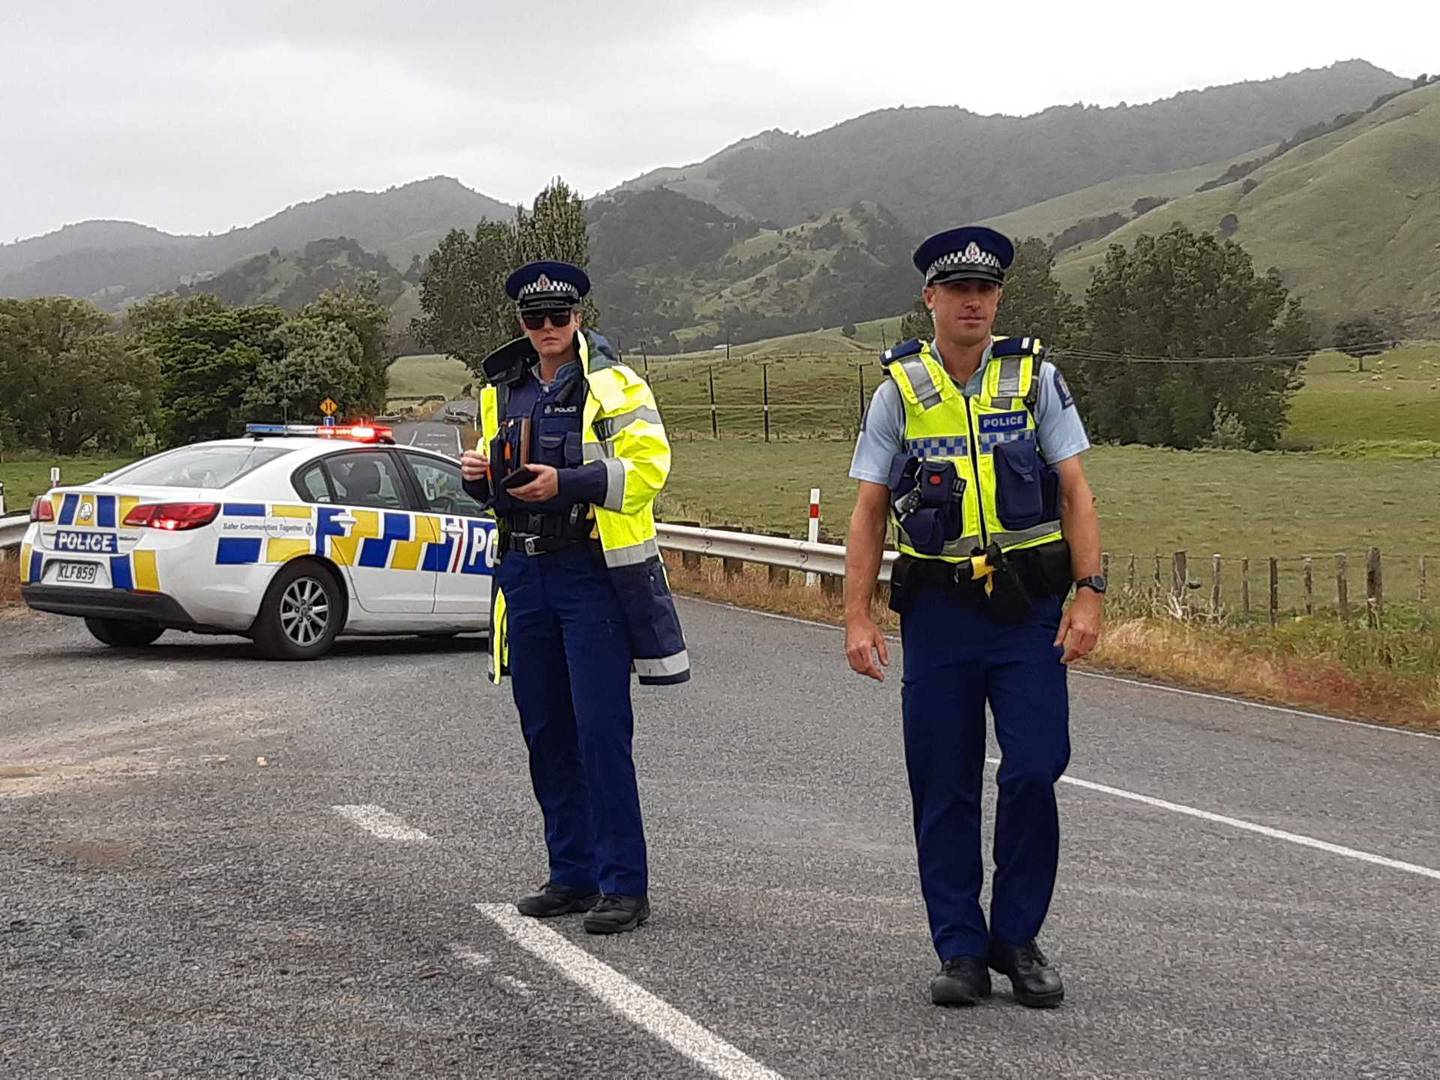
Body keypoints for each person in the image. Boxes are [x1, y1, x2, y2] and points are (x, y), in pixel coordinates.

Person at [842, 227, 1104, 1007]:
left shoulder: (1034, 380)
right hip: (939, 612)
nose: (974, 302)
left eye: (985, 291)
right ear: (931, 298)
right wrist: (858, 618)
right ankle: (959, 948)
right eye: (958, 291)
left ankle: (1016, 938)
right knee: (943, 783)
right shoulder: (899, 390)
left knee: (1033, 767)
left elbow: (1076, 491)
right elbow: (867, 511)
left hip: (1028, 611)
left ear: (997, 299)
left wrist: (1090, 591)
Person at [460, 260, 688, 935]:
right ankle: (571, 874)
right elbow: (499, 486)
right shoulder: (501, 390)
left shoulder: (615, 385)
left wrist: (566, 484)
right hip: (525, 573)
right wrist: (481, 475)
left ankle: (624, 886)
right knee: (546, 733)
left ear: (580, 317)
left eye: (559, 316)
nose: (548, 329)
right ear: (522, 325)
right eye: (535, 319)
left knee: (600, 734)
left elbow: (649, 468)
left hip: (590, 572)